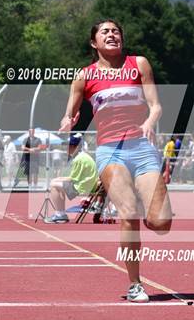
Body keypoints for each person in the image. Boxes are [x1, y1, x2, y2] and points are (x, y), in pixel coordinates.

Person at [59, 19, 172, 302]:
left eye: (116, 31)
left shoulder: (139, 64)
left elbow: (156, 104)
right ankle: (135, 284)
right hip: (111, 151)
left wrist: (149, 121)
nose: (112, 35)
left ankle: (145, 200)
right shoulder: (84, 76)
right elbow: (70, 112)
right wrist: (68, 120)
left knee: (161, 223)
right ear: (94, 43)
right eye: (105, 32)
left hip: (142, 148)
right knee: (128, 215)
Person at [45, 133, 99, 223]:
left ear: (75, 147)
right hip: (87, 185)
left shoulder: (79, 158)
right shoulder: (82, 156)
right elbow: (74, 177)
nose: (66, 148)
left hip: (83, 187)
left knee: (53, 185)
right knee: (57, 183)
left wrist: (56, 180)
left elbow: (73, 179)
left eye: (68, 146)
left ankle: (60, 215)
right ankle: (61, 214)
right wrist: (59, 179)